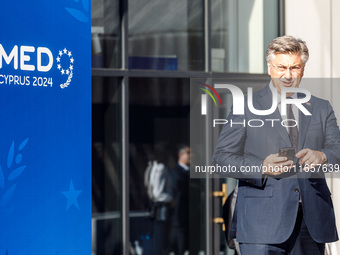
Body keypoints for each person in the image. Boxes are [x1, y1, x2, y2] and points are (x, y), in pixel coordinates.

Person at [212, 35, 340, 255]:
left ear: (303, 69)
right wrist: (261, 166)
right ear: (269, 67)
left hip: (311, 224)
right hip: (261, 225)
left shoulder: (321, 107)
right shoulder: (246, 106)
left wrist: (322, 155)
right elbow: (221, 159)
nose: (288, 75)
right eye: (282, 67)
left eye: (295, 68)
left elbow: (337, 150)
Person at [169, 145, 191, 255]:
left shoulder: (193, 172)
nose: (191, 155)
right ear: (180, 155)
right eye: (188, 152)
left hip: (192, 218)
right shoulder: (175, 172)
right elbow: (179, 191)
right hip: (180, 217)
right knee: (180, 247)